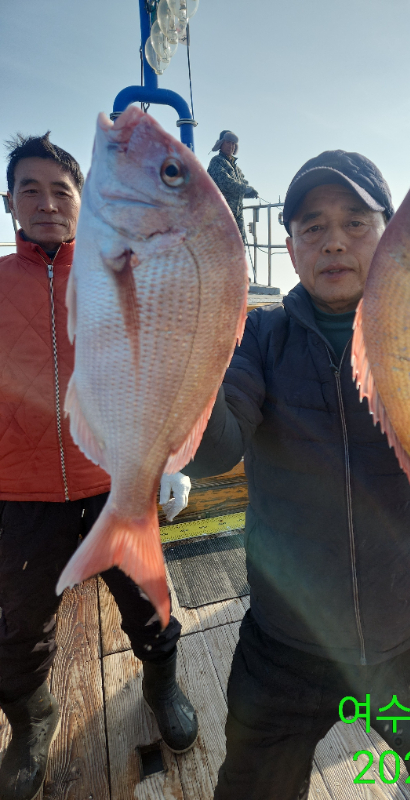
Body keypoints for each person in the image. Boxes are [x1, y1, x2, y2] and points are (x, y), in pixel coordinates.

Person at [183, 150, 410, 800]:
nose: (333, 241)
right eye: (313, 227)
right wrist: (180, 366)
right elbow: (212, 451)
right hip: (288, 642)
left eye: (356, 222)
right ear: (291, 249)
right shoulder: (259, 337)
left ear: (391, 239)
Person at [0, 133, 197, 800]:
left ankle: (162, 684)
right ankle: (32, 721)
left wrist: (169, 458)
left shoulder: (124, 275)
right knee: (20, 624)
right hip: (20, 492)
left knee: (148, 603)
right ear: (10, 203)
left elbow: (165, 363)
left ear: (84, 203)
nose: (47, 203)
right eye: (30, 190)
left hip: (116, 482)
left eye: (62, 191)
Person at [207, 130, 258, 243]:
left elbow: (241, 185)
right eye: (228, 142)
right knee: (224, 247)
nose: (231, 146)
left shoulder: (236, 168)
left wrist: (250, 192)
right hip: (221, 214)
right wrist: (245, 189)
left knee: (240, 246)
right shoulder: (216, 161)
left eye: (233, 144)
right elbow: (225, 182)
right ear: (221, 143)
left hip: (237, 215)